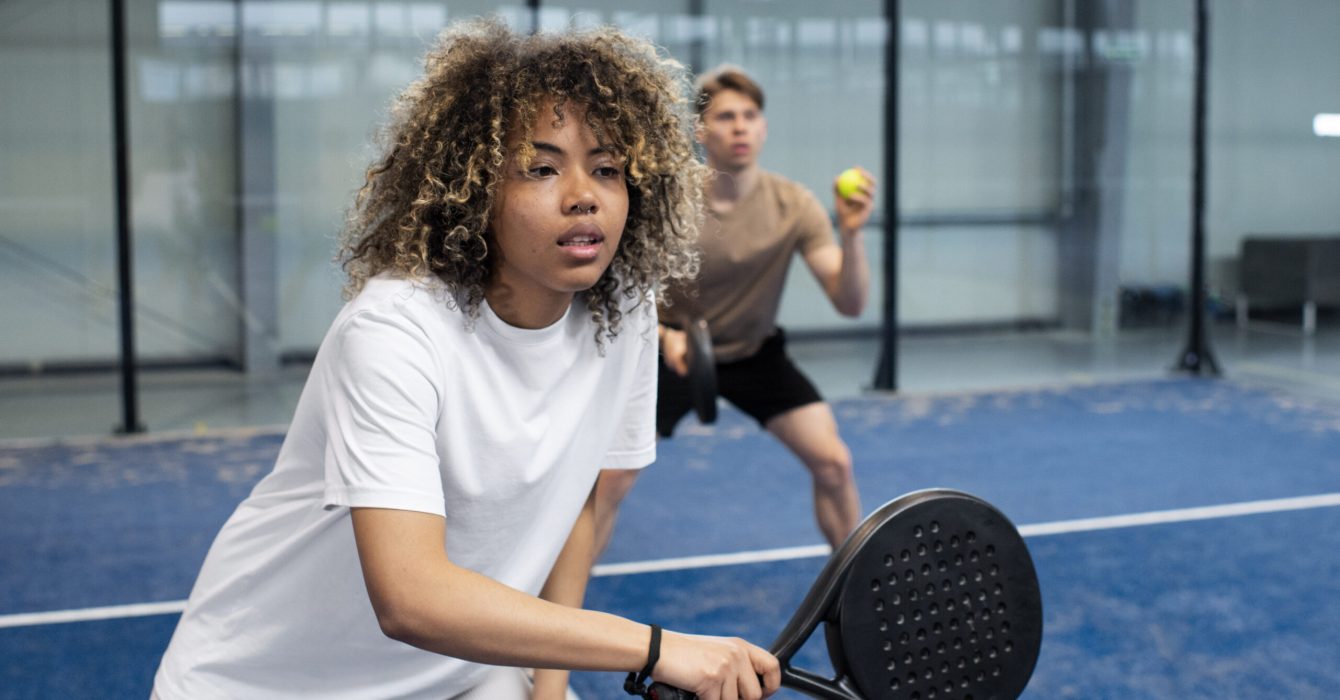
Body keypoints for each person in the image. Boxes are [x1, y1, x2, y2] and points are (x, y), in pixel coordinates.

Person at [152, 21, 780, 700]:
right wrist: (656, 648)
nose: (584, 194)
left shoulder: (623, 306)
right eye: (541, 168)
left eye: (605, 167)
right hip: (262, 686)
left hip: (465, 675)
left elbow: (576, 500)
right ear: (472, 188)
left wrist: (547, 686)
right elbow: (411, 598)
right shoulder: (395, 329)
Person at [594, 65, 875, 556]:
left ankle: (851, 584)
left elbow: (850, 304)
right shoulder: (669, 202)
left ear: (763, 128)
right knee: (609, 480)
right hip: (672, 351)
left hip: (754, 353)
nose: (740, 126)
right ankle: (563, 606)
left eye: (750, 115)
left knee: (834, 463)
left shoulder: (794, 205)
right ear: (702, 132)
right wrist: (661, 335)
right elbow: (616, 286)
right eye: (726, 116)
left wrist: (851, 234)